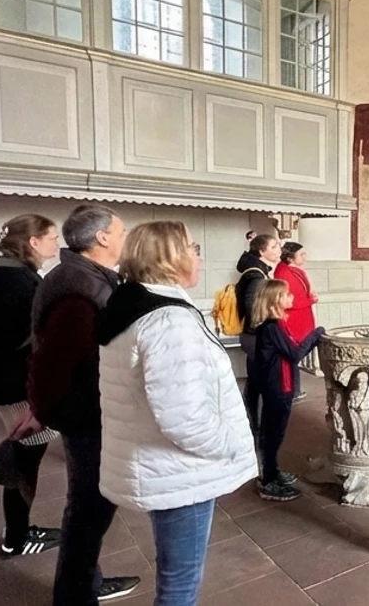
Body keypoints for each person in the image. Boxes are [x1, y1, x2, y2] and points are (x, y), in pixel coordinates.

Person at [96, 222, 258, 606]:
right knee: (180, 587)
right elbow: (184, 418)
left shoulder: (132, 305)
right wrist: (232, 443)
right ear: (170, 257)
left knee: (176, 580)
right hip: (178, 469)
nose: (198, 255)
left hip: (157, 464)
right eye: (192, 247)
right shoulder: (169, 320)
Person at [21, 204, 141, 605]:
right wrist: (43, 412)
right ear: (102, 238)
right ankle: (74, 596)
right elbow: (53, 361)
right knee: (89, 510)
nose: (125, 238)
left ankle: (85, 584)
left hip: (89, 410)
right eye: (121, 231)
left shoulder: (86, 278)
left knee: (90, 508)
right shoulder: (80, 288)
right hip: (87, 415)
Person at [0, 214, 62, 559]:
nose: (57, 242)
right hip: (16, 387)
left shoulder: (14, 277)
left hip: (10, 384)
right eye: (52, 236)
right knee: (23, 459)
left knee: (28, 457)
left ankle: (20, 529)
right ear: (33, 242)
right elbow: (14, 343)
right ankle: (17, 539)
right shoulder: (18, 283)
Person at [248, 279, 324, 501]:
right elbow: (295, 353)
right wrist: (316, 334)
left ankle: (272, 471)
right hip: (277, 388)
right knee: (272, 434)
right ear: (274, 301)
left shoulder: (276, 325)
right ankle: (268, 480)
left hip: (281, 386)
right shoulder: (271, 327)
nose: (291, 297)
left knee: (276, 433)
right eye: (286, 294)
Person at [236, 233, 282, 438]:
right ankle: (260, 430)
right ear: (262, 251)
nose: (278, 250)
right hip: (256, 337)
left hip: (255, 337)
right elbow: (253, 310)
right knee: (264, 385)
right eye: (273, 246)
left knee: (255, 384)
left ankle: (253, 426)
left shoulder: (260, 272)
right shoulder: (256, 276)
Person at [273, 241, 318, 399]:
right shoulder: (284, 273)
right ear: (291, 258)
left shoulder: (290, 270)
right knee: (292, 356)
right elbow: (289, 300)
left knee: (293, 357)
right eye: (301, 254)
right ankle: (292, 390)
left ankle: (293, 389)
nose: (305, 257)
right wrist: (310, 300)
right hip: (293, 320)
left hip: (299, 318)